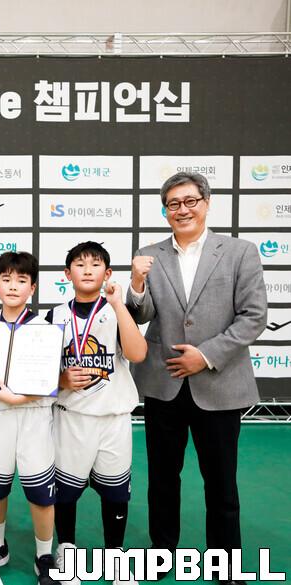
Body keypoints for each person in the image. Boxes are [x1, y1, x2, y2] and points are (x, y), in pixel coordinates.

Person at [126, 172, 267, 584]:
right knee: (162, 480)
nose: (182, 210)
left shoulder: (240, 252)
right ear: (165, 211)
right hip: (163, 383)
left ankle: (227, 565)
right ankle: (161, 554)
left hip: (219, 385)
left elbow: (254, 316)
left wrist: (205, 356)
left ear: (206, 203)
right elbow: (140, 316)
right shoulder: (148, 255)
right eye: (173, 204)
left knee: (221, 484)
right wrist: (136, 284)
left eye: (190, 201)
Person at [46, 242, 147, 585]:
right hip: (71, 417)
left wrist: (118, 304)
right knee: (65, 491)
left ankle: (115, 554)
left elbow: (137, 353)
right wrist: (61, 379)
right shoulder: (54, 316)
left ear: (108, 273)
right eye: (79, 264)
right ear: (66, 273)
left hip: (112, 418)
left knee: (116, 493)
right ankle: (67, 548)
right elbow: (40, 373)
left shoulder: (117, 310)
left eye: (95, 264)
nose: (87, 269)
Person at [0, 251, 59, 585]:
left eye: (21, 280)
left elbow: (50, 379)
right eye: (6, 279)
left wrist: (18, 398)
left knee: (41, 493)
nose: (13, 286)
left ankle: (44, 555)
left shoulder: (45, 329)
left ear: (32, 287)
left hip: (33, 418)